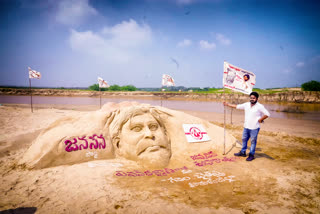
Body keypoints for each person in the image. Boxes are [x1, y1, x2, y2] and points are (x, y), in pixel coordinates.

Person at [223, 92, 270, 161]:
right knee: (244, 139)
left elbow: (267, 114)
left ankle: (251, 155)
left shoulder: (260, 106)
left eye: (253, 98)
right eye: (251, 98)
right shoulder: (246, 105)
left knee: (253, 141)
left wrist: (260, 119)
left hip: (254, 128)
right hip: (246, 126)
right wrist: (227, 104)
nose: (252, 99)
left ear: (257, 98)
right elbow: (236, 106)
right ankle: (243, 152)